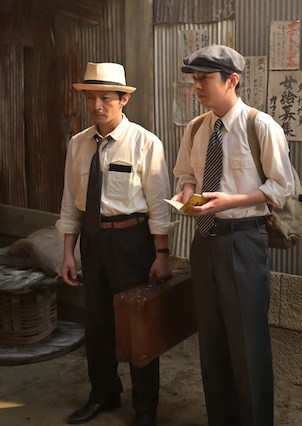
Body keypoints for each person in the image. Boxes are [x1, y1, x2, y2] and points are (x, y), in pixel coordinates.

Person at [172, 44, 295, 426]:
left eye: (205, 79)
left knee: (248, 343)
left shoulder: (260, 126)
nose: (197, 86)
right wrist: (185, 191)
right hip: (204, 241)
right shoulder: (196, 127)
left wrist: (232, 201)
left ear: (232, 80)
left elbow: (281, 186)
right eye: (194, 79)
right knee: (211, 341)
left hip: (243, 241)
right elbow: (186, 173)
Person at [56, 62, 172, 426]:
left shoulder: (145, 143)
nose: (96, 105)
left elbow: (159, 205)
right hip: (92, 241)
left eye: (105, 97)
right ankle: (103, 393)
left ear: (124, 99)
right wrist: (67, 252)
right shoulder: (78, 144)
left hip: (132, 241)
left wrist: (162, 253)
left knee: (138, 325)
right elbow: (70, 201)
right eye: (91, 97)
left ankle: (145, 408)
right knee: (97, 322)